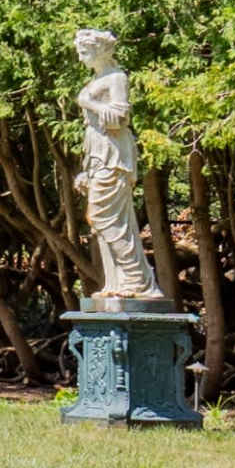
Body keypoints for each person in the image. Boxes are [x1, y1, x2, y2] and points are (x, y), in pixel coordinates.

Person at [72, 29, 162, 305]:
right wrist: (88, 168)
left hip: (114, 156)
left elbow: (120, 116)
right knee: (100, 222)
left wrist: (88, 102)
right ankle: (116, 281)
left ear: (101, 51)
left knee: (108, 219)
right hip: (99, 154)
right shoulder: (99, 79)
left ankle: (137, 281)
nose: (80, 56)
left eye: (84, 51)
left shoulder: (116, 78)